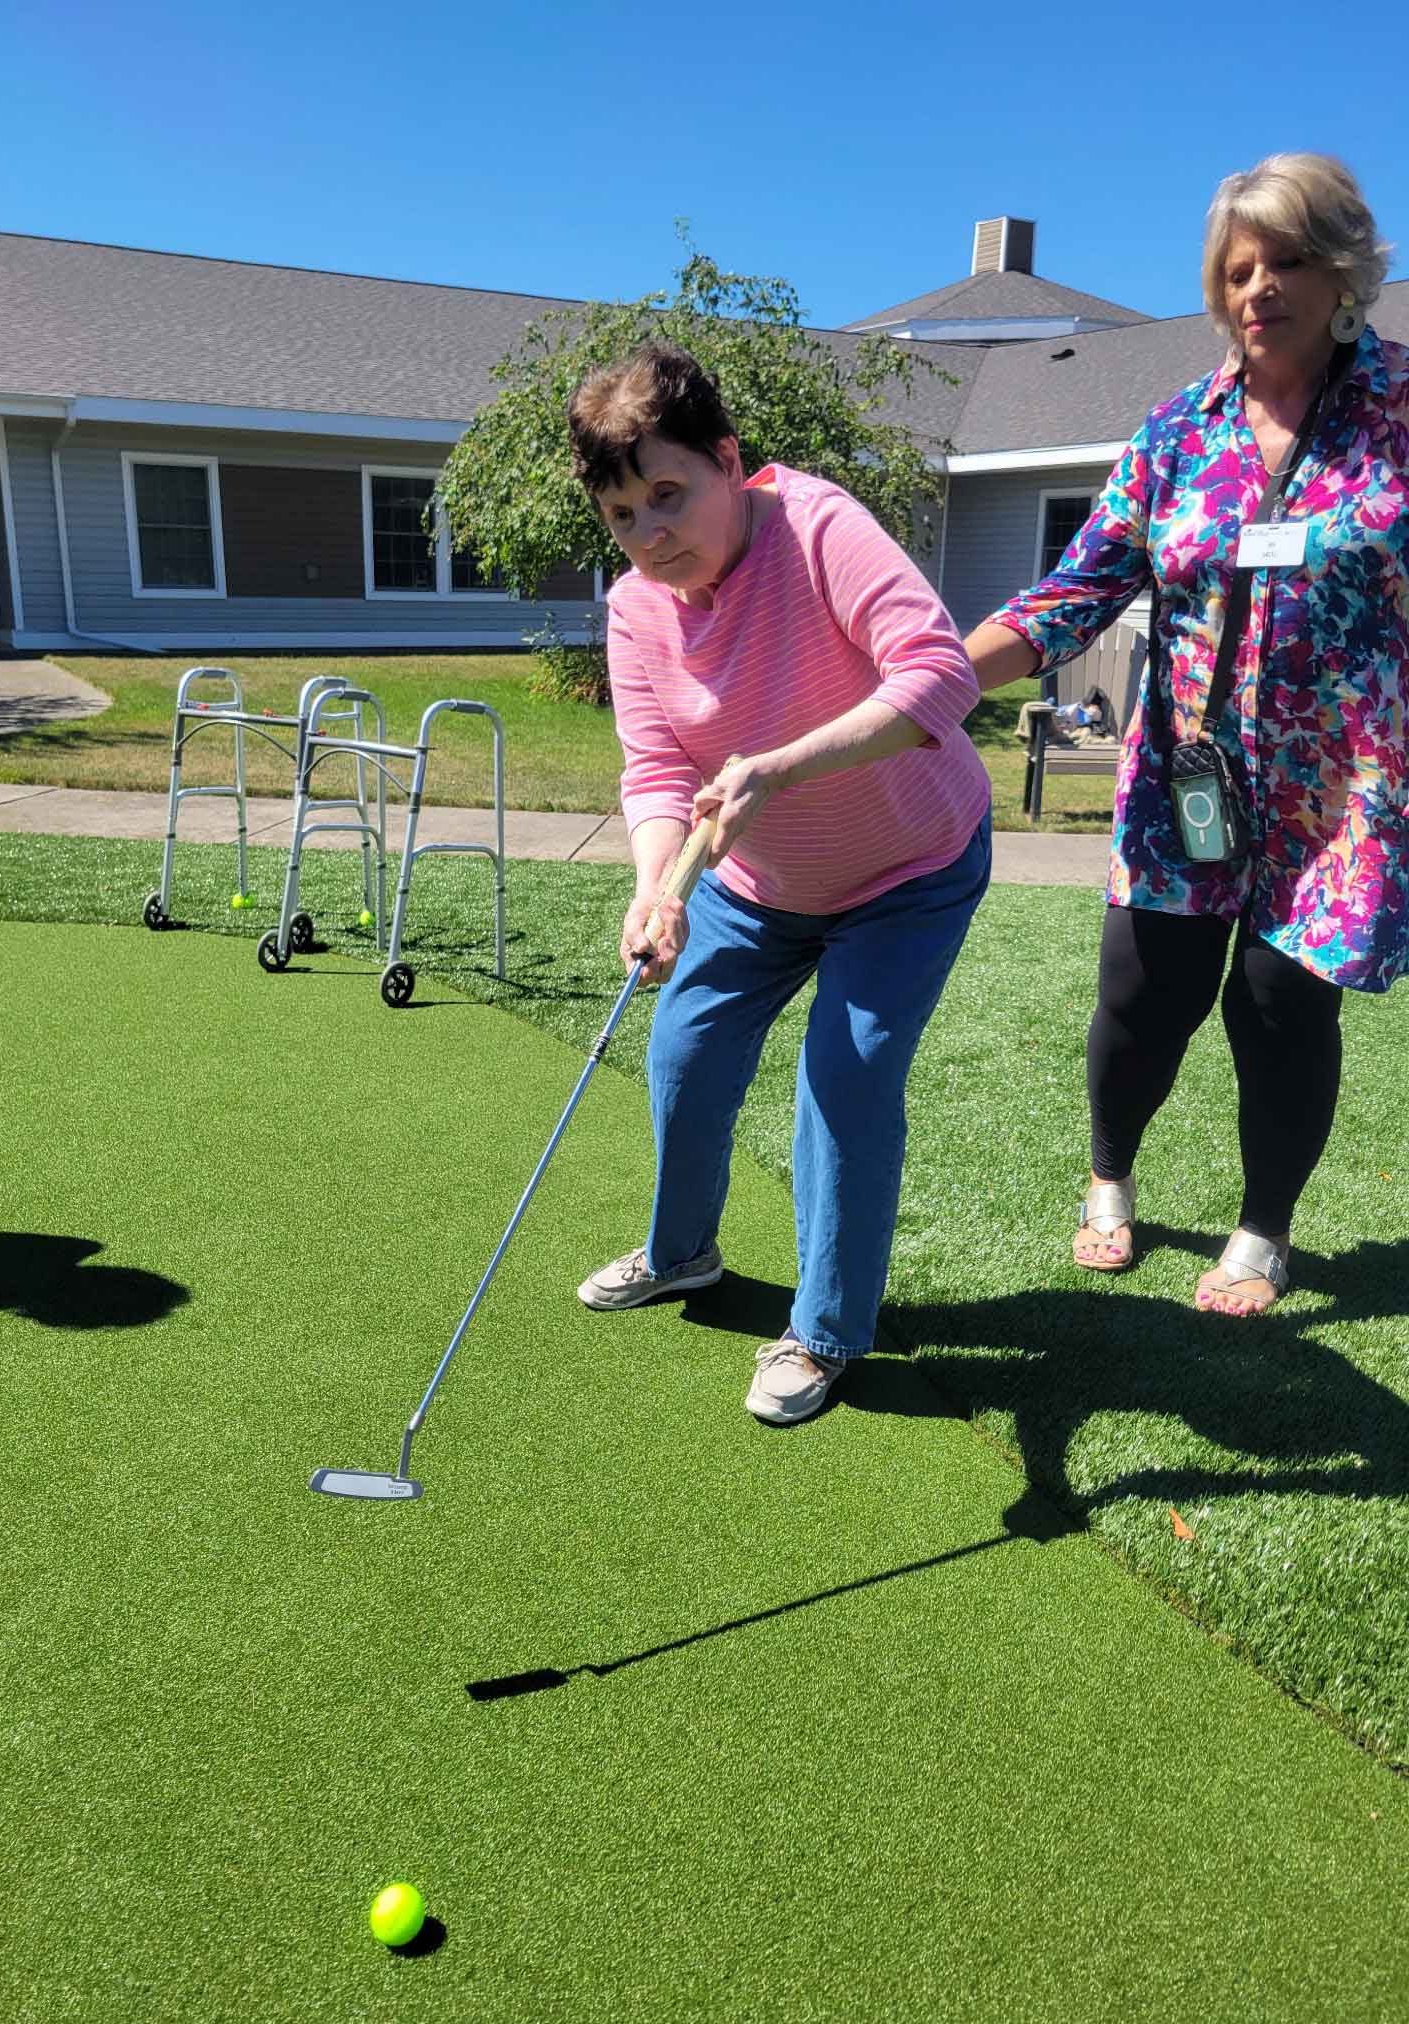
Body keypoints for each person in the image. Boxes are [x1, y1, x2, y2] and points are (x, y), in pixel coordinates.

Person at [965, 153, 1406, 1315]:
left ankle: (1264, 1230)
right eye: (1239, 268)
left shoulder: (1402, 415)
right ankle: (1110, 1176)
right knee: (1142, 990)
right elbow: (1078, 590)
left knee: (1281, 1003)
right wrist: (943, 676)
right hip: (1186, 779)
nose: (1261, 287)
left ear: (1344, 271)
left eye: (1289, 259)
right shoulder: (1176, 433)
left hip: (1335, 793)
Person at [565, 343, 992, 1422]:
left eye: (669, 494)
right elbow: (657, 768)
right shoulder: (635, 607)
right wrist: (657, 887)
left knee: (845, 1080)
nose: (649, 533)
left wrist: (780, 766)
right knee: (683, 1051)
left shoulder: (816, 526)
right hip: (756, 881)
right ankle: (682, 1253)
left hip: (908, 867)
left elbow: (941, 674)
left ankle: (827, 1329)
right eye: (622, 515)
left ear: (727, 460)